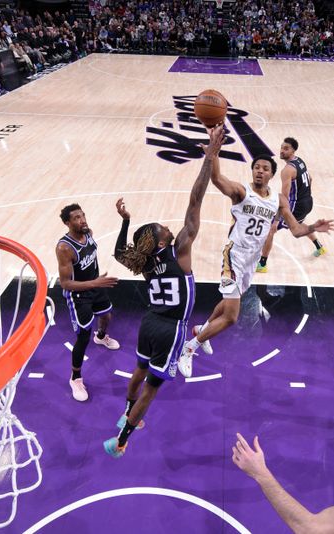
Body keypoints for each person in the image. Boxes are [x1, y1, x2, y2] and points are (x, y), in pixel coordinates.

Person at [103, 125, 223, 458]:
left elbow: (117, 254)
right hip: (170, 329)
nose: (170, 226)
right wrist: (209, 157)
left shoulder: (143, 264)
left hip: (149, 323)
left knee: (138, 371)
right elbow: (196, 199)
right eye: (164, 228)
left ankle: (124, 412)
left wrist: (126, 222)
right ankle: (123, 438)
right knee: (151, 391)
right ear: (160, 241)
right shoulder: (180, 249)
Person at [177, 154, 334, 377]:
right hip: (234, 256)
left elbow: (296, 230)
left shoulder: (279, 200)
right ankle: (189, 346)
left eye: (265, 168)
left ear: (272, 174)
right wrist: (213, 152)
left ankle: (203, 330)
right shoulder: (242, 192)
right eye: (257, 168)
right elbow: (216, 178)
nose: (260, 171)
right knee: (232, 316)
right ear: (252, 171)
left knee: (228, 302)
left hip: (251, 261)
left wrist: (312, 228)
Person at [56, 204, 121, 402]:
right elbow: (65, 283)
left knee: (107, 315)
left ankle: (101, 337)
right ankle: (75, 377)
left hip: (95, 285)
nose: (82, 220)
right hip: (78, 295)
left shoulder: (89, 234)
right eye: (76, 218)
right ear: (68, 223)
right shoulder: (64, 247)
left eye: (83, 215)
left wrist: (96, 282)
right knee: (83, 337)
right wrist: (95, 282)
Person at [257, 137, 325, 273]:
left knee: (270, 228)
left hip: (295, 206)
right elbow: (310, 178)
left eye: (286, 149)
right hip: (307, 202)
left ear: (293, 150)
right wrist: (305, 194)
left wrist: (276, 221)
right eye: (282, 147)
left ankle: (262, 264)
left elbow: (284, 199)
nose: (282, 151)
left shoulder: (287, 170)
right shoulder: (300, 161)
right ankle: (319, 246)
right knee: (299, 225)